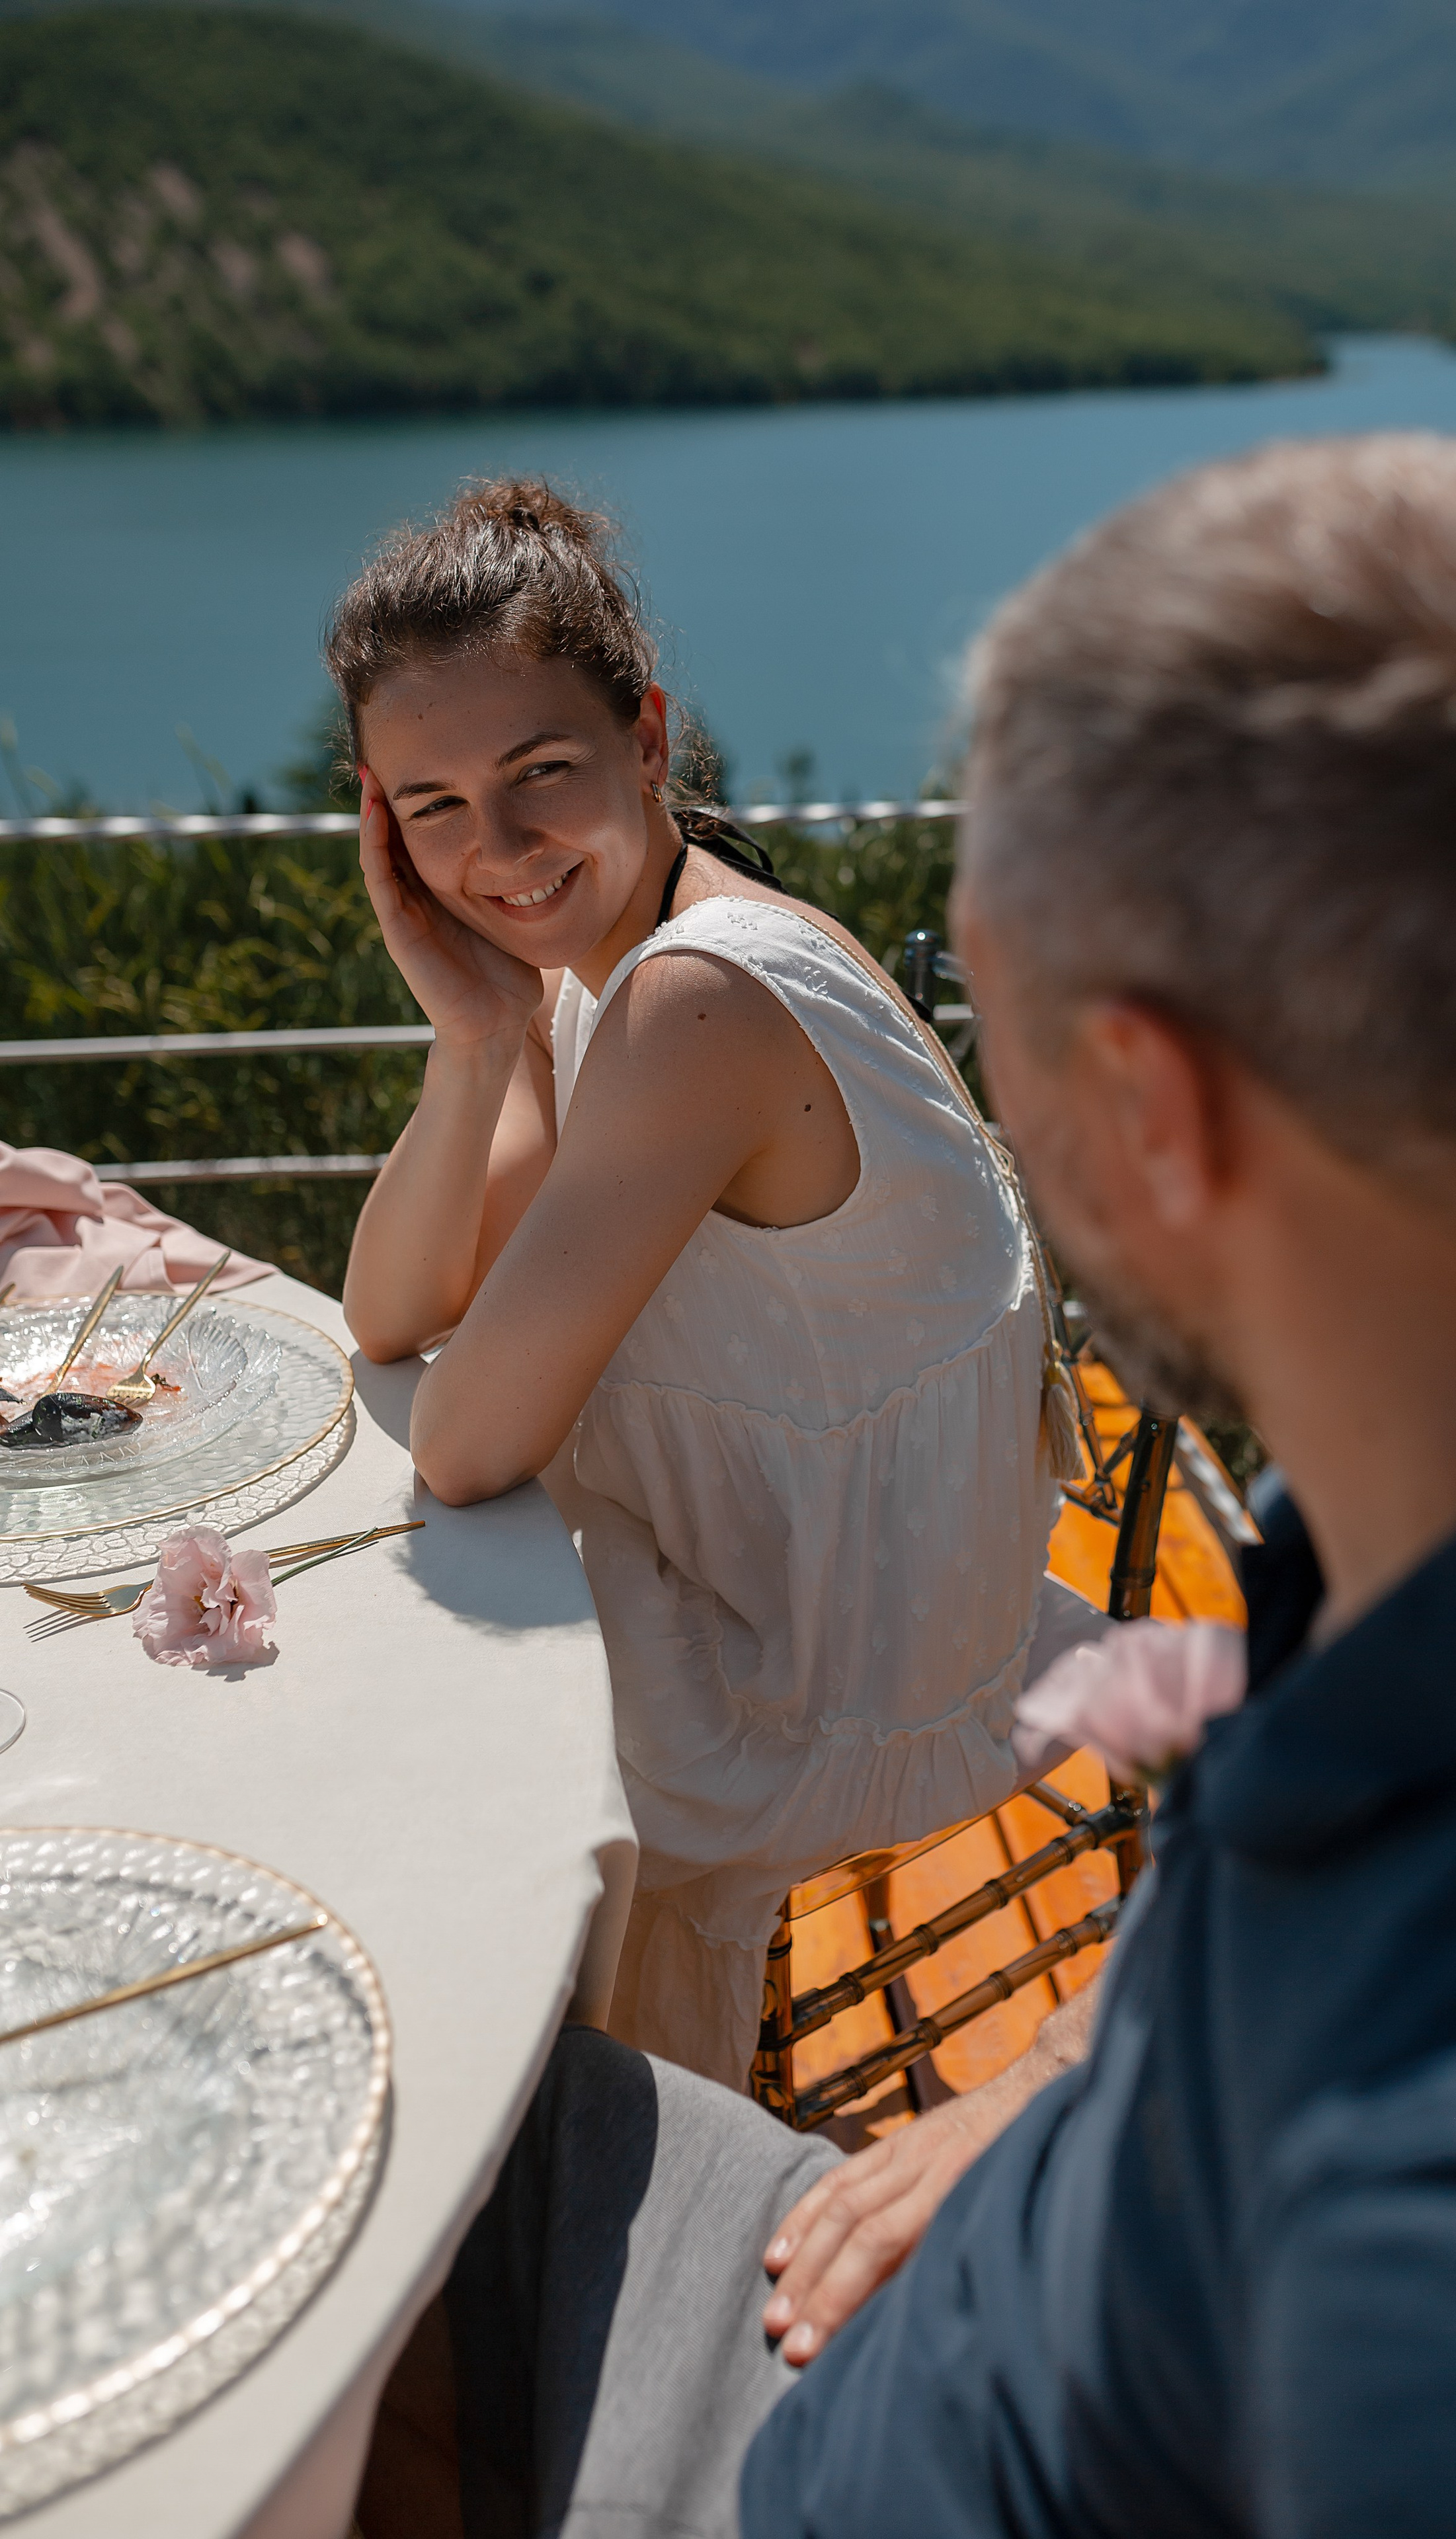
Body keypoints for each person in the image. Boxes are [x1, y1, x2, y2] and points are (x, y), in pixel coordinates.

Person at [375, 426, 1456, 2539]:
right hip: (993, 2240)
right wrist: (1078, 2074)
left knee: (350, 2283)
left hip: (817, 2461)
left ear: (1150, 1108)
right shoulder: (1437, 1514)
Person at [330, 481, 1058, 2087]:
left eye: (540, 776)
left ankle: (544, 2203)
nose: (496, 853)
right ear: (377, 818)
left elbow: (460, 1440)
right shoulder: (604, 971)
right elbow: (392, 1307)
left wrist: (502, 1025)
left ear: (646, 740)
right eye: (432, 807)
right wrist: (473, 1038)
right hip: (832, 1585)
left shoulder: (696, 1004)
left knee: (403, 1746)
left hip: (843, 1680)